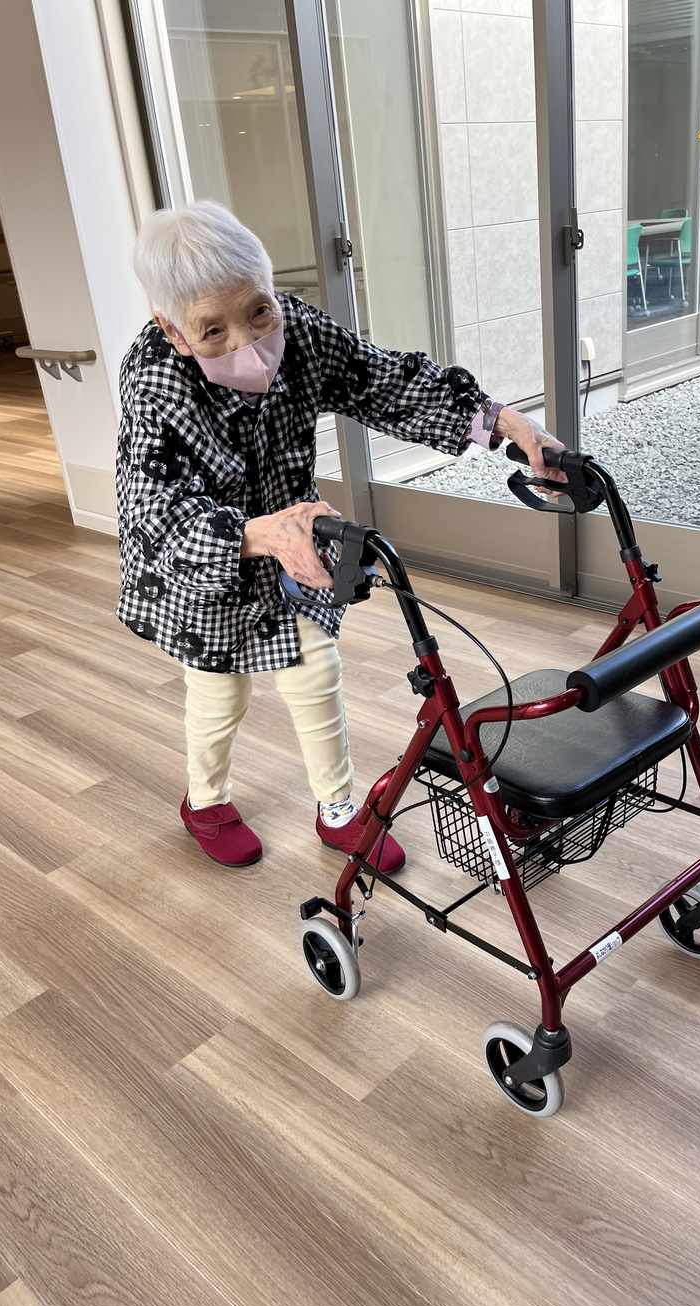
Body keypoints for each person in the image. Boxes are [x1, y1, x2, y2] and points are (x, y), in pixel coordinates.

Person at [117, 200, 562, 871]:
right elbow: (153, 514)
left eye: (259, 312)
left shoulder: (300, 331)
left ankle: (338, 811)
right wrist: (257, 533)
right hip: (209, 563)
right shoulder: (154, 381)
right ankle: (205, 801)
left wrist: (502, 422)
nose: (247, 344)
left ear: (271, 288)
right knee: (219, 694)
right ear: (173, 331)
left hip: (298, 542)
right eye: (213, 331)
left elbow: (386, 382)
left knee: (314, 671)